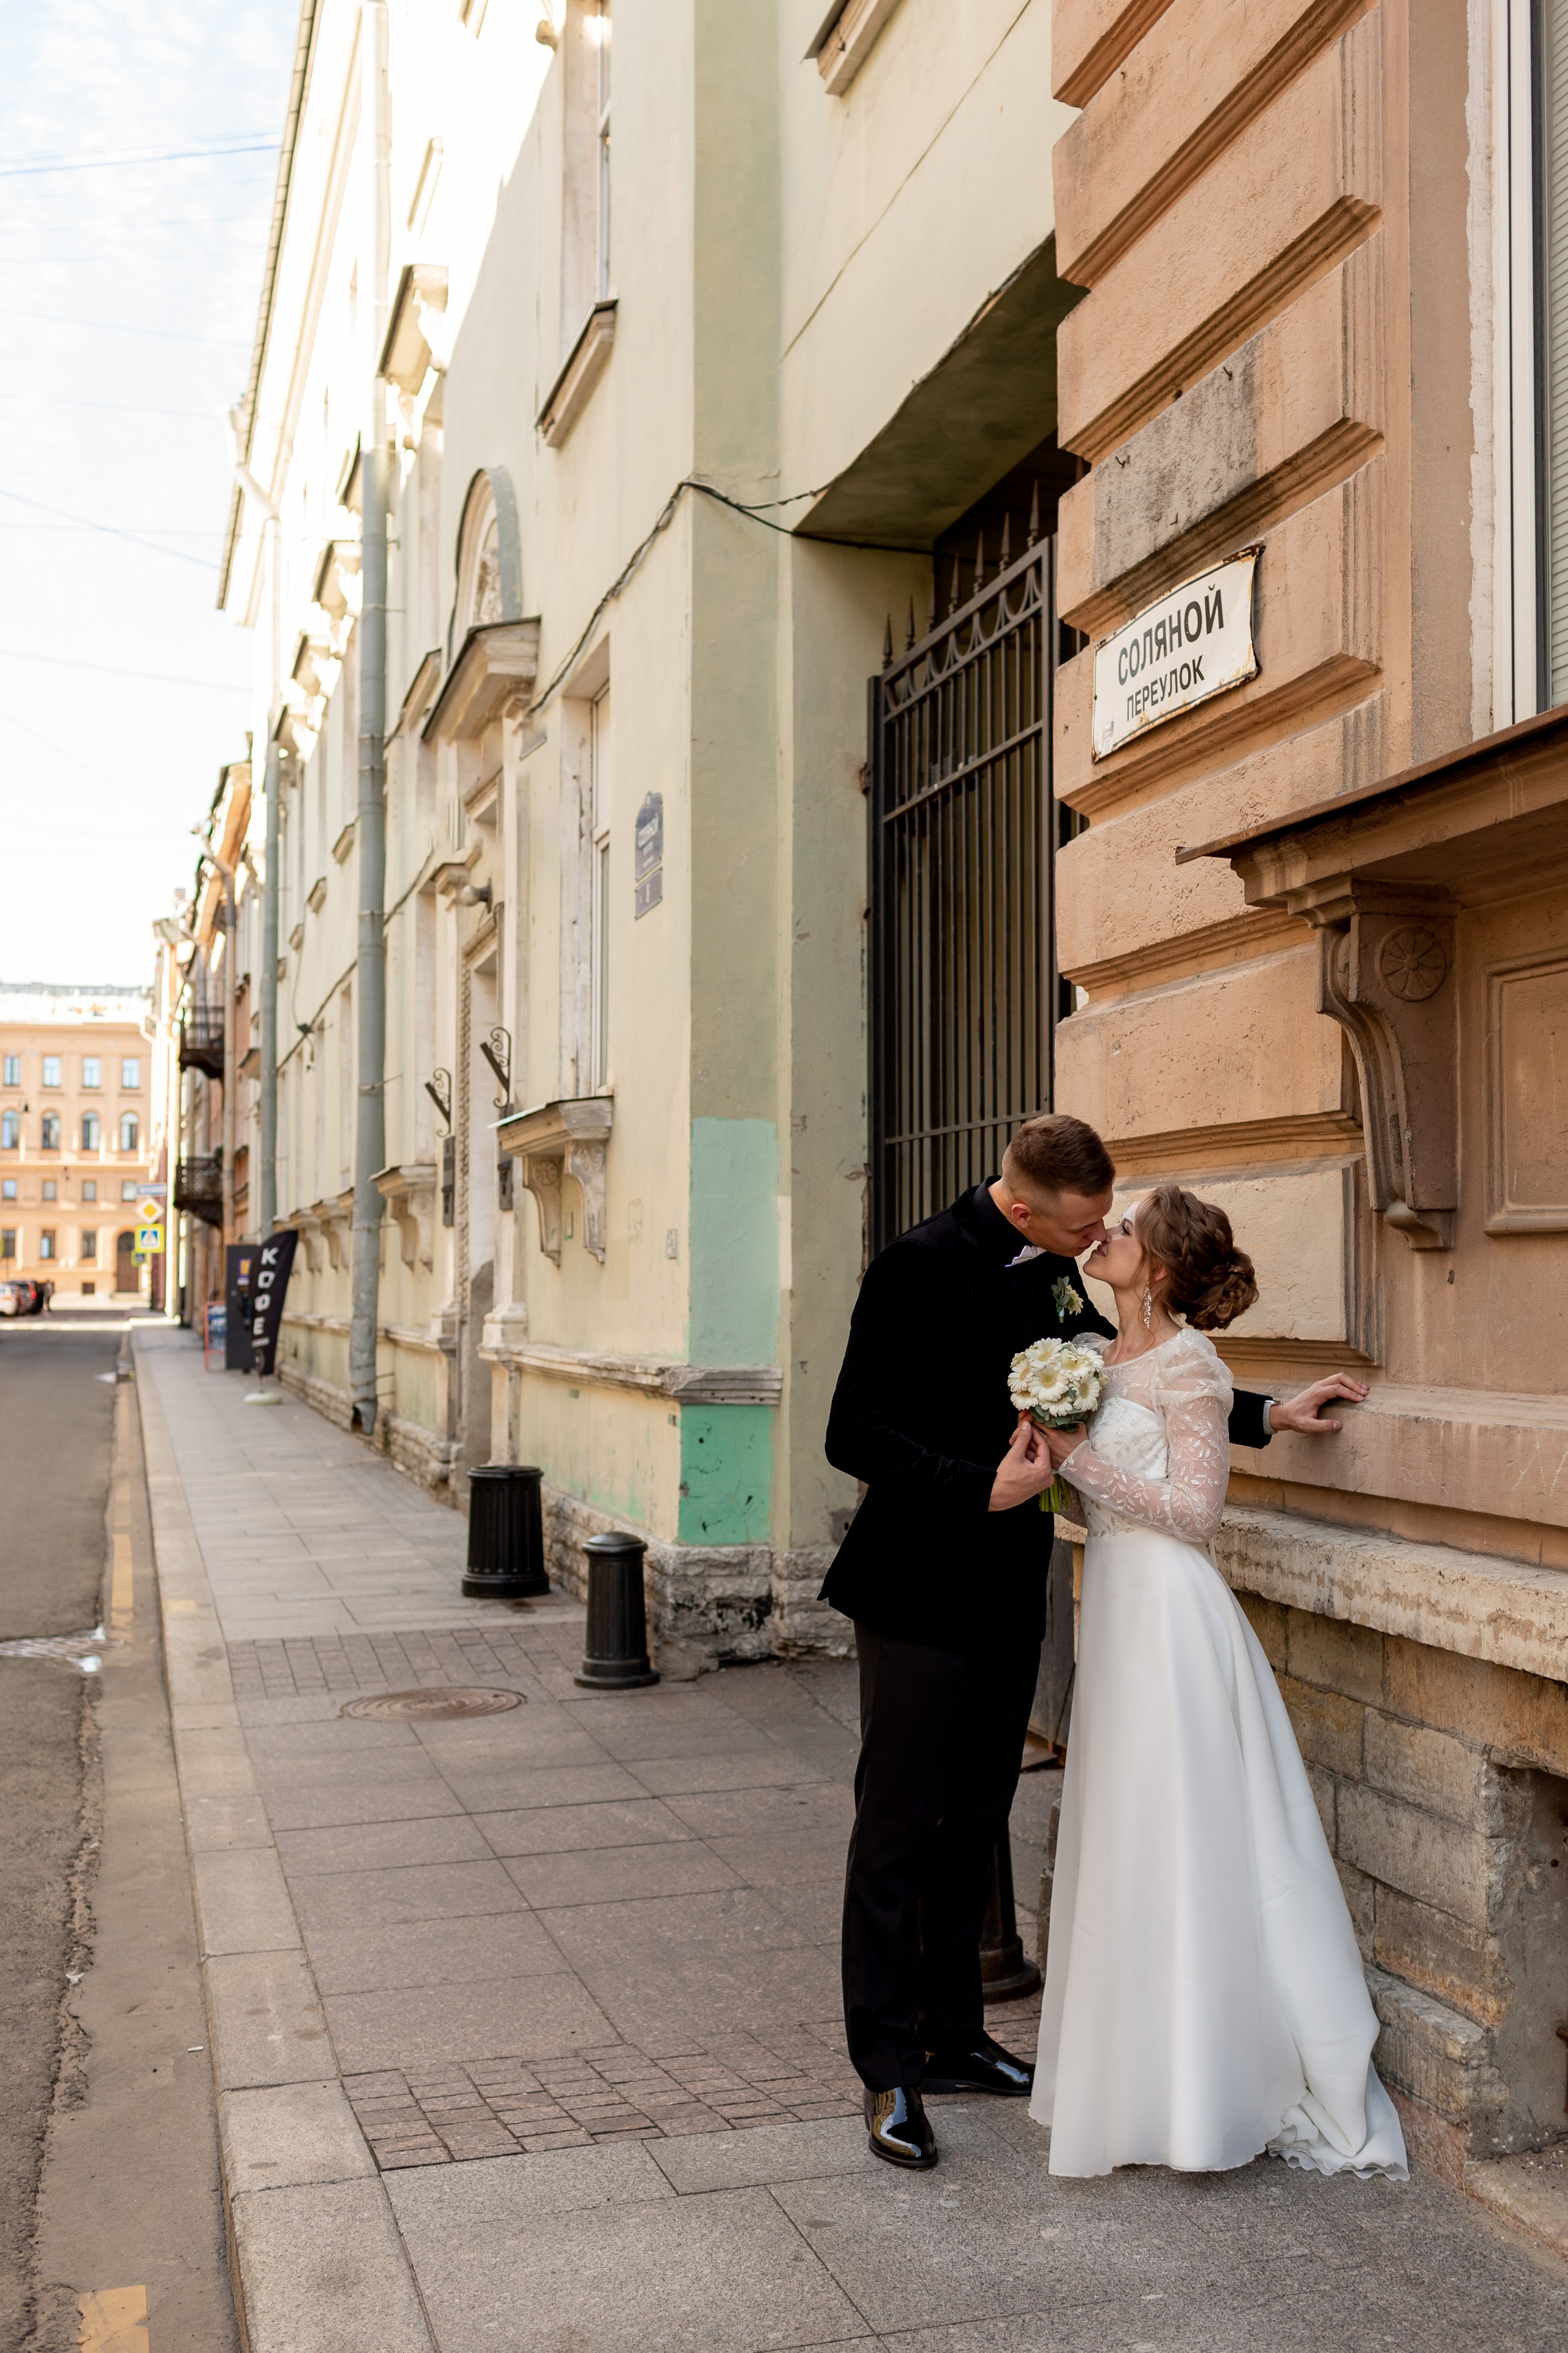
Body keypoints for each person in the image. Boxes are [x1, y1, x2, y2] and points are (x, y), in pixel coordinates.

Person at [821, 1113, 1369, 2170]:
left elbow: (1140, 1381)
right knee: (897, 1823)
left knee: (977, 1814)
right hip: (915, 1589)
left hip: (1011, 1594)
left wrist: (1266, 1414)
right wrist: (979, 1485)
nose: (1095, 1238)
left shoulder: (1067, 1274)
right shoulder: (914, 1268)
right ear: (1022, 1206)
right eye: (1079, 1226)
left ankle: (955, 2037)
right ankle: (889, 2065)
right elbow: (854, 1429)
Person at [1028, 1184, 1406, 2180]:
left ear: (1155, 1269)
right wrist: (1055, 1471)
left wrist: (1078, 1462)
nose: (1104, 1235)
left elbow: (1195, 1512)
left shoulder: (1191, 1364)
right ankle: (1132, 2081)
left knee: (1181, 1833)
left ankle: (1202, 2092)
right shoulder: (1094, 1356)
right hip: (1111, 1600)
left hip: (1170, 1619)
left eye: (1125, 1229)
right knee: (1125, 1835)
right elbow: (1096, 1488)